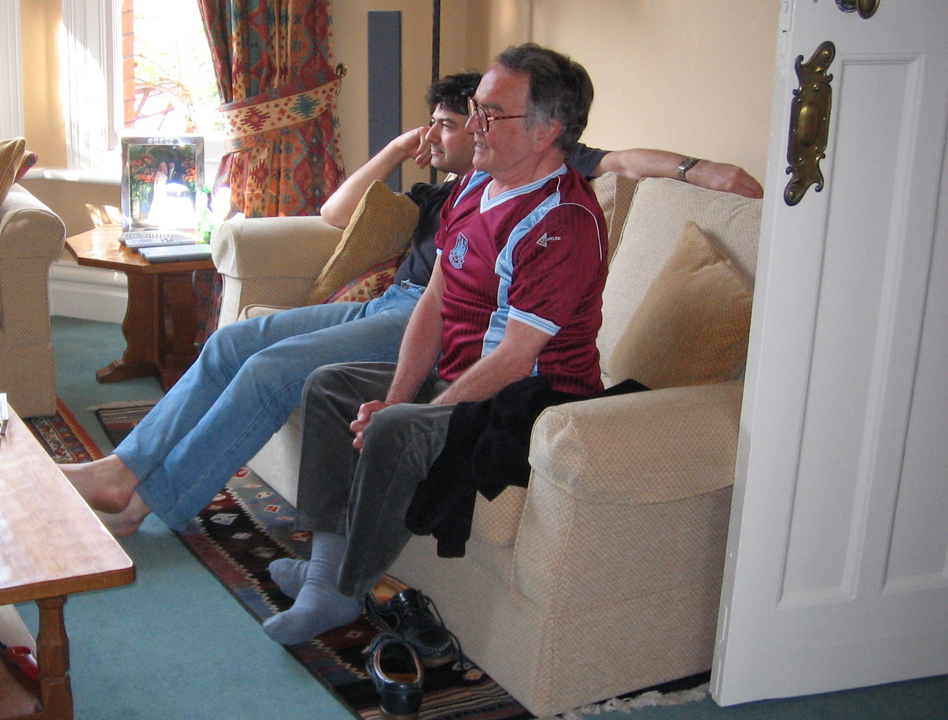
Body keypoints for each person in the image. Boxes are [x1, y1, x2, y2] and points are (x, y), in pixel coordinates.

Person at [60, 72, 762, 537]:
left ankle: (146, 502)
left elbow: (620, 161)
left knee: (273, 370)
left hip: (427, 319)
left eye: (459, 123)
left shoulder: (537, 172)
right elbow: (337, 215)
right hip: (387, 304)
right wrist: (401, 147)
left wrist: (698, 170)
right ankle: (124, 468)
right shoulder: (445, 191)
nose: (455, 134)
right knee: (228, 343)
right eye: (452, 122)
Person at [261, 44, 608, 646]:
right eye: (476, 109)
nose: (472, 125)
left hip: (531, 399)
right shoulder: (475, 184)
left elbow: (515, 358)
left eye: (492, 114)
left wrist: (414, 412)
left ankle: (341, 591)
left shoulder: (563, 222)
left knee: (399, 430)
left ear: (548, 130)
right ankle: (323, 570)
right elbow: (435, 301)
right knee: (333, 385)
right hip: (463, 374)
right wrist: (397, 392)